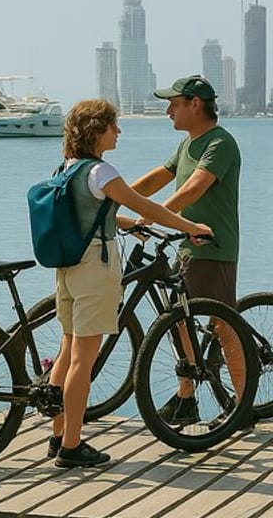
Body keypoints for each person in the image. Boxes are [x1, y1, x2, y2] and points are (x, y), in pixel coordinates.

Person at [46, 99, 211, 468]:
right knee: (82, 363)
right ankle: (72, 447)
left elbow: (92, 216)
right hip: (94, 271)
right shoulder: (102, 172)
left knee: (66, 354)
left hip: (68, 269)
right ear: (95, 131)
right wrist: (191, 227)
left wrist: (126, 225)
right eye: (113, 126)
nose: (118, 131)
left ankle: (57, 436)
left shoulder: (68, 168)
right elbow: (147, 206)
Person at [131, 74, 244, 426]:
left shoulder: (219, 143)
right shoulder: (187, 146)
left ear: (195, 104)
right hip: (185, 246)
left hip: (213, 246)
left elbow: (194, 189)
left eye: (174, 104)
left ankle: (242, 407)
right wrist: (108, 199)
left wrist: (151, 217)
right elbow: (155, 179)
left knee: (224, 326)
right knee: (178, 320)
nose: (168, 111)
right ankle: (186, 397)